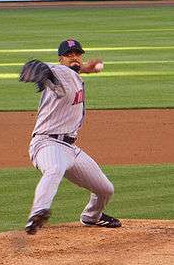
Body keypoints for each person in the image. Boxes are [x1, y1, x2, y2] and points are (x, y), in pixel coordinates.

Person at [19, 39, 121, 235]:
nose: (74, 57)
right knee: (54, 168)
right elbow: (47, 70)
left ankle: (92, 217)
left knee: (105, 189)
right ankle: (38, 212)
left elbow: (71, 72)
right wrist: (37, 68)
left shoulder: (72, 74)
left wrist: (86, 69)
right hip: (47, 143)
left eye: (77, 54)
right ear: (61, 58)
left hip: (70, 149)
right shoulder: (59, 71)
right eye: (69, 54)